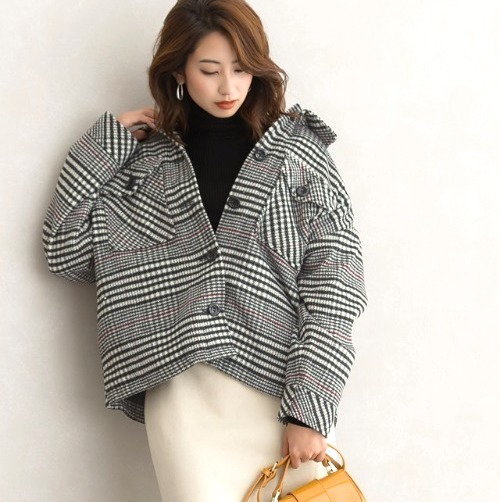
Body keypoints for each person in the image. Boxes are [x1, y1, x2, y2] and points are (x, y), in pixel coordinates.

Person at [42, 0, 367, 499]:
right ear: (178, 72)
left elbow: (336, 285)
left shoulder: (298, 157)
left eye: (241, 69)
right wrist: (104, 147)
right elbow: (64, 250)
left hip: (282, 390)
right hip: (183, 400)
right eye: (210, 71)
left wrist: (309, 407)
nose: (228, 87)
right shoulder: (145, 166)